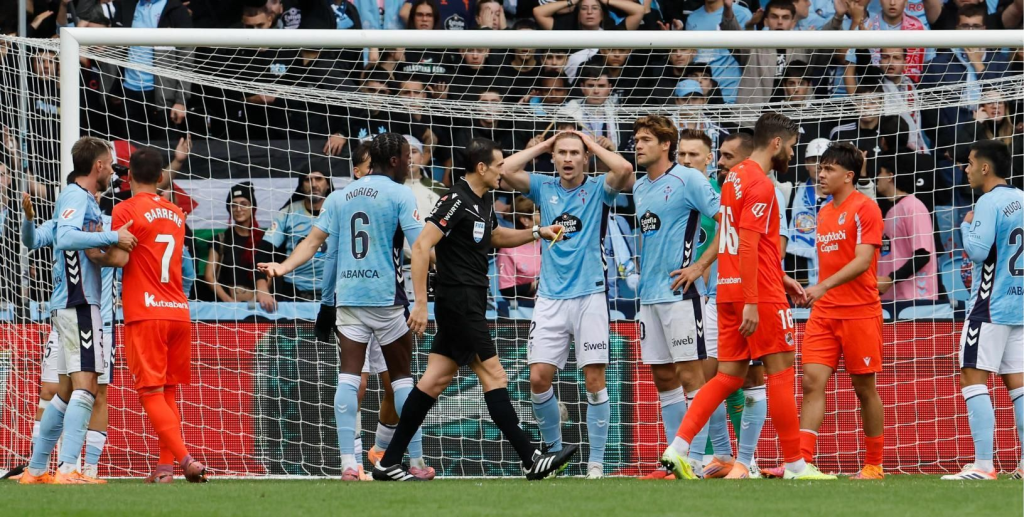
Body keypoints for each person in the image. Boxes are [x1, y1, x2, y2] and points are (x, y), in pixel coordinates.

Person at [372, 138, 578, 481]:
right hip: (459, 301)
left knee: (433, 382)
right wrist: (421, 303)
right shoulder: (454, 199)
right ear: (481, 168)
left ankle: (388, 461)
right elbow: (422, 246)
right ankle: (530, 458)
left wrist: (538, 232)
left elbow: (494, 237)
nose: (503, 171)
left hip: (468, 301)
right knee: (495, 376)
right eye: (499, 165)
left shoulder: (481, 201)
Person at [660, 113, 835, 481]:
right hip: (758, 295)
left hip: (726, 289)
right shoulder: (760, 184)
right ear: (775, 143)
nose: (791, 152)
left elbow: (737, 240)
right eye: (789, 146)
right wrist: (755, 300)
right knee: (781, 374)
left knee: (726, 378)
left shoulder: (733, 178)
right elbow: (751, 245)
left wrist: (781, 275)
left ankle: (678, 447)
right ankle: (795, 465)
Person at [259, 133, 434, 481]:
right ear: (395, 161)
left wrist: (281, 268)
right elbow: (421, 248)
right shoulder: (401, 193)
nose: (409, 163)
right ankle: (415, 462)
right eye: (406, 157)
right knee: (401, 381)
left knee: (348, 378)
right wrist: (431, 290)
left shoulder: (339, 196)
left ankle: (348, 464)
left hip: (349, 299)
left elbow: (312, 241)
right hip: (386, 300)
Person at [500, 130, 633, 479]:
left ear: (585, 157)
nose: (569, 159)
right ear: (554, 159)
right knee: (538, 378)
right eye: (563, 153)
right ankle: (555, 455)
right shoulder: (544, 187)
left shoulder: (598, 189)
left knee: (593, 380)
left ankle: (596, 464)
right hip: (550, 298)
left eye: (576, 153)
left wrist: (589, 143)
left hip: (590, 295)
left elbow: (624, 169)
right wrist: (544, 145)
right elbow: (504, 169)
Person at [84, 147, 208, 483]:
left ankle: (184, 460)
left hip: (146, 311)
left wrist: (92, 252)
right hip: (179, 311)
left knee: (150, 393)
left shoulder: (124, 209)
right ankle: (165, 470)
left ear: (128, 177)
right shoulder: (176, 212)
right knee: (168, 392)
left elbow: (121, 260)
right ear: (161, 177)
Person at [21, 136, 137, 485]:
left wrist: (28, 220)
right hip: (79, 303)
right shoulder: (75, 196)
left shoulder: (76, 200)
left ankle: (37, 469)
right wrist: (111, 236)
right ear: (98, 166)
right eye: (110, 166)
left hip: (68, 306)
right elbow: (68, 239)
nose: (112, 173)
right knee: (86, 388)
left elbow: (34, 240)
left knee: (67, 392)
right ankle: (69, 469)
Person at [629, 121, 729, 480]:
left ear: (665, 144)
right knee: (663, 379)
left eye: (645, 140)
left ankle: (696, 461)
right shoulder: (639, 187)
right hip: (649, 297)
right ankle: (675, 462)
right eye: (636, 140)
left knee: (693, 379)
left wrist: (700, 265)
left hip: (683, 296)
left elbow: (728, 221)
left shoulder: (689, 179)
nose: (637, 146)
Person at [797, 142, 887, 480]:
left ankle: (874, 465)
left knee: (864, 389)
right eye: (821, 167)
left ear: (848, 176)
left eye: (829, 169)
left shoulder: (866, 208)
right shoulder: (823, 212)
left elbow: (863, 261)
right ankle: (802, 463)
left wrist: (820, 287)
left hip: (860, 312)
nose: (821, 174)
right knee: (810, 382)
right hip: (825, 313)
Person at [942, 140, 1024, 481]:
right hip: (1020, 305)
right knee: (1019, 385)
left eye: (970, 163)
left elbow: (977, 252)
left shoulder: (988, 202)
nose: (966, 168)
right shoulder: (1021, 198)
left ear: (985, 167)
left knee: (972, 378)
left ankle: (983, 465)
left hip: (989, 305)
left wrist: (966, 224)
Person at [261, 158, 335, 305]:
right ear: (301, 186)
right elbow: (264, 250)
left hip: (334, 292)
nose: (313, 184)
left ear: (328, 184)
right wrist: (262, 290)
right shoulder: (288, 212)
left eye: (319, 179)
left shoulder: (339, 211)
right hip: (293, 292)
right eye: (308, 180)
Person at [875, 156, 938, 303]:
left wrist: (890, 279)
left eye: (880, 172)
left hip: (916, 299)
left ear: (890, 176)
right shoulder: (892, 211)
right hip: (892, 299)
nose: (877, 177)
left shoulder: (914, 207)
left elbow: (922, 255)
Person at [204, 182, 274, 310]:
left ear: (252, 207)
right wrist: (228, 301)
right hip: (227, 308)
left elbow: (269, 274)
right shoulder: (220, 240)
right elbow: (209, 275)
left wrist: (255, 301)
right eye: (234, 205)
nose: (238, 209)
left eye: (244, 204)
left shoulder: (264, 239)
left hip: (259, 306)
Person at [496, 195, 542, 305]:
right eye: (537, 212)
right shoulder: (509, 250)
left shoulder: (548, 242)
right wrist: (537, 284)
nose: (542, 215)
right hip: (526, 310)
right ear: (525, 220)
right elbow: (507, 291)